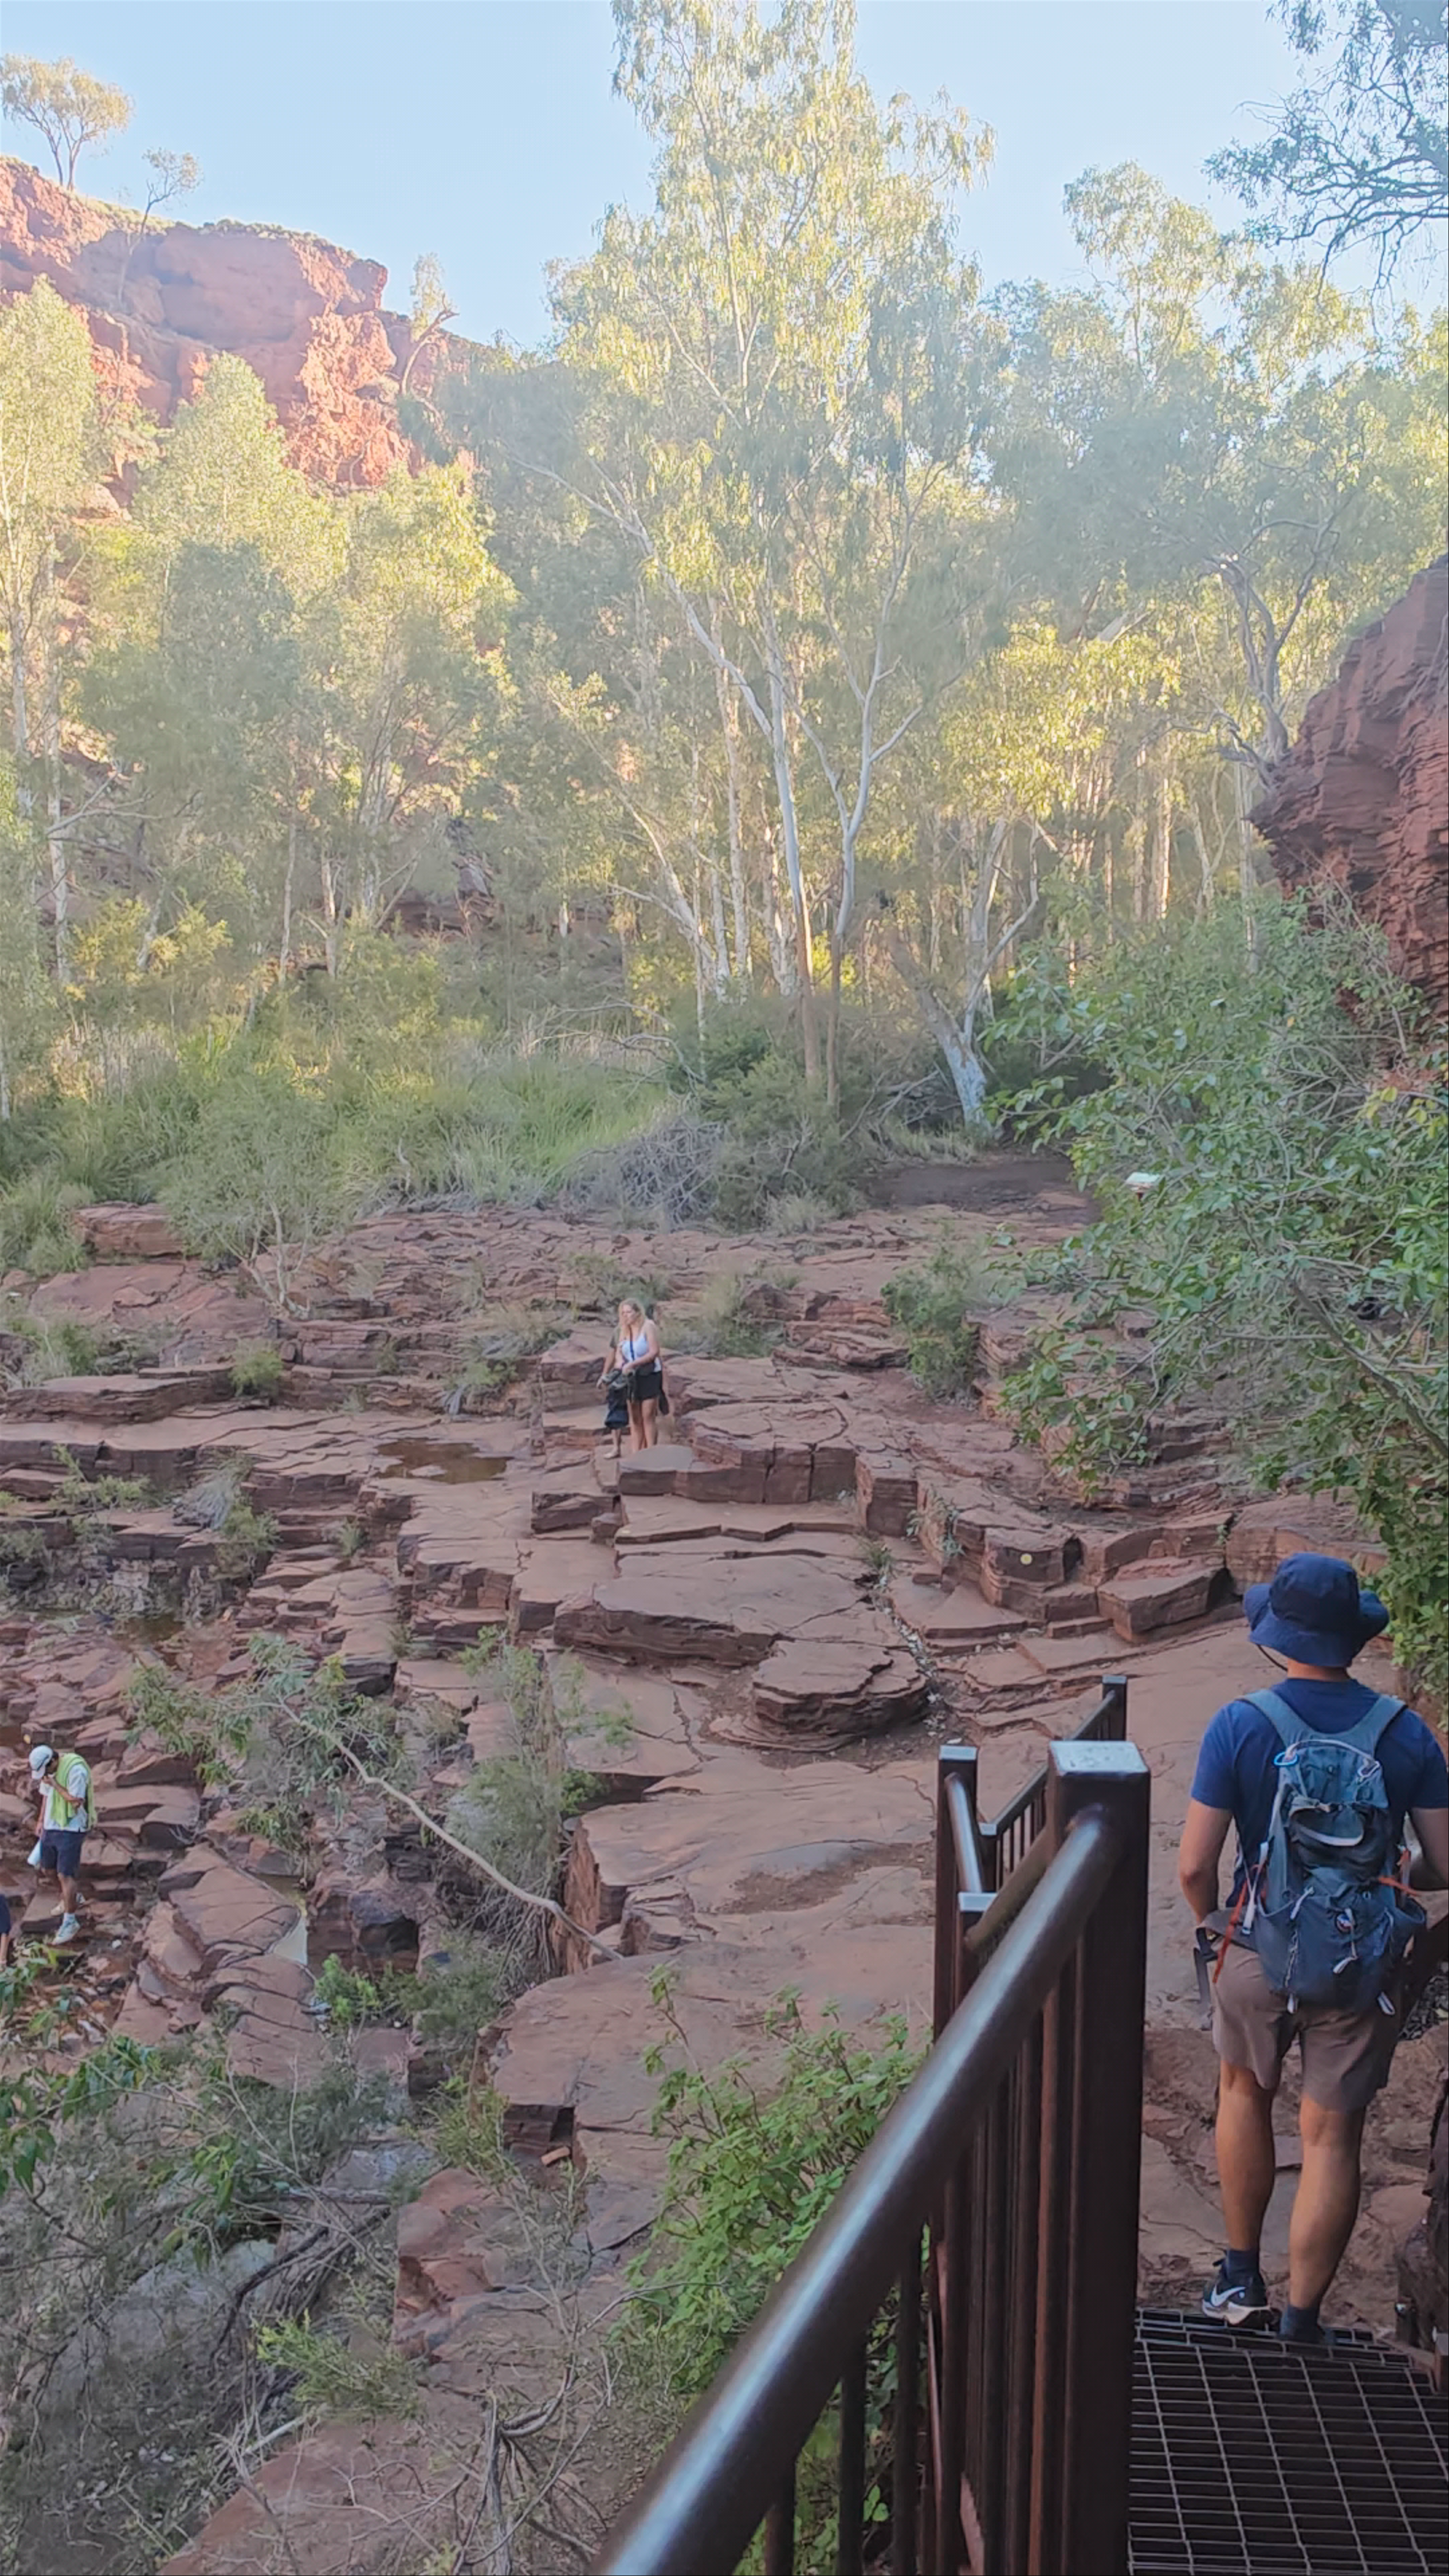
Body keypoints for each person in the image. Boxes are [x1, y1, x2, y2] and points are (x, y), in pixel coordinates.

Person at [1178, 1553, 1448, 2344]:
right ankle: (1302, 2321)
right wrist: (1402, 1874)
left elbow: (1195, 1861)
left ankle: (1238, 2279)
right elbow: (1444, 1859)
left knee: (1242, 2092)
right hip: (1361, 1959)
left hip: (1258, 1945)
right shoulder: (1405, 1732)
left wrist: (1215, 1924)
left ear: (1277, 1634)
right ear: (1355, 1638)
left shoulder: (1241, 1722)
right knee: (1333, 2134)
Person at [29, 1743, 96, 1947]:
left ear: (53, 1762)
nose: (44, 1775)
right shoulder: (48, 1773)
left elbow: (76, 1802)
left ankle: (70, 1921)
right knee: (49, 1869)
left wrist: (56, 1784)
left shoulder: (76, 1770)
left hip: (71, 1827)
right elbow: (46, 1797)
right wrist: (41, 1821)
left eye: (46, 1770)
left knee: (65, 1874)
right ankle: (70, 1898)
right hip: (52, 1826)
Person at [600, 1299, 664, 1453]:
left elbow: (654, 1352)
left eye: (629, 1312)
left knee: (647, 1416)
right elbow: (619, 1354)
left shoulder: (648, 1326)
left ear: (637, 1312)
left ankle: (651, 1453)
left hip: (649, 1375)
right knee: (635, 1418)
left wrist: (633, 1364)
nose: (626, 1316)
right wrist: (615, 1370)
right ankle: (637, 1456)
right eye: (623, 1313)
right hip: (631, 1378)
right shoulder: (623, 1330)